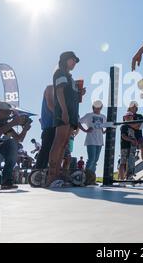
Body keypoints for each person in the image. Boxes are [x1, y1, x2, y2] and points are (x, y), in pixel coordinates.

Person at [47, 51, 85, 186]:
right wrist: (64, 111)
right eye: (72, 59)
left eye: (75, 60)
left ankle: (59, 175)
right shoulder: (60, 73)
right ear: (64, 60)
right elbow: (59, 92)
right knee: (59, 142)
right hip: (64, 113)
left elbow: (71, 96)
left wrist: (80, 93)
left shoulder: (70, 77)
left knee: (64, 145)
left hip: (72, 114)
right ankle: (51, 177)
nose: (74, 62)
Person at [79, 100, 107, 174]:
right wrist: (85, 130)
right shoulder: (88, 115)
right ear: (93, 107)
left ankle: (91, 179)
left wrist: (104, 131)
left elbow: (108, 126)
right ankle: (86, 177)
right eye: (96, 107)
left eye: (99, 107)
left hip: (100, 141)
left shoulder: (103, 117)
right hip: (91, 140)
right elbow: (78, 122)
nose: (98, 108)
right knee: (91, 159)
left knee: (95, 160)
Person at [34, 85, 55, 169]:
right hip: (49, 126)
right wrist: (62, 115)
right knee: (46, 150)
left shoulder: (61, 93)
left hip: (56, 125)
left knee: (50, 151)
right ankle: (38, 173)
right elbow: (50, 104)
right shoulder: (50, 88)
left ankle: (43, 172)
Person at [128, 102, 143, 171]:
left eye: (135, 107)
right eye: (133, 106)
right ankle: (129, 171)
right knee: (131, 153)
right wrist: (137, 125)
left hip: (139, 135)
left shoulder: (140, 116)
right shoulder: (126, 115)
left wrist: (136, 125)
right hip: (130, 136)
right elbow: (129, 125)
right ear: (129, 108)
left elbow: (142, 125)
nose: (134, 108)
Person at [119, 112, 138, 182]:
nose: (130, 117)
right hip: (125, 146)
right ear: (125, 117)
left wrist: (135, 142)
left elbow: (134, 137)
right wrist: (131, 140)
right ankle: (121, 179)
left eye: (131, 116)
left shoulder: (132, 127)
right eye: (128, 116)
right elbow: (123, 136)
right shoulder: (124, 126)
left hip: (132, 147)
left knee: (131, 162)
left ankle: (129, 177)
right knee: (123, 162)